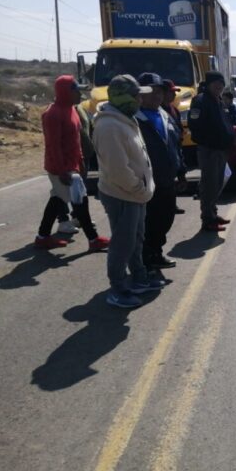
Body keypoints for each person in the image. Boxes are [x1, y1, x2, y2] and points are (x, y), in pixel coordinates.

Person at [92, 75, 162, 309]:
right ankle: (118, 288)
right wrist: (138, 188)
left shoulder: (124, 119)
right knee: (122, 243)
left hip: (135, 194)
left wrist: (141, 189)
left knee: (136, 239)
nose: (140, 100)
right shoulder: (109, 126)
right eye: (135, 96)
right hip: (123, 194)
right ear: (122, 97)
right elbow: (117, 169)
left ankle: (138, 277)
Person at [34, 75, 109, 252]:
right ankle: (93, 239)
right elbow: (53, 145)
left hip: (72, 166)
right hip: (61, 168)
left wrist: (80, 161)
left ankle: (42, 237)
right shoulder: (52, 114)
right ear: (66, 92)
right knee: (79, 201)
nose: (79, 94)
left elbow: (75, 140)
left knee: (59, 200)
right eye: (76, 91)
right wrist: (62, 171)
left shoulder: (72, 110)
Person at [136, 72, 186, 270]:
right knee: (148, 223)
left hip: (167, 179)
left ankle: (156, 252)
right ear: (139, 94)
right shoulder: (134, 118)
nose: (156, 96)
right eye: (150, 92)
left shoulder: (165, 115)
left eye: (158, 91)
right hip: (145, 182)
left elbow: (176, 146)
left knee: (165, 218)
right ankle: (145, 259)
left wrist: (181, 172)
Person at [188, 71, 235, 232]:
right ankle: (207, 219)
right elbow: (194, 125)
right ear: (208, 84)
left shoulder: (219, 100)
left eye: (221, 84)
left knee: (217, 183)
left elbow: (223, 122)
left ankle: (213, 214)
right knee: (209, 185)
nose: (219, 86)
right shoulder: (200, 100)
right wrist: (210, 140)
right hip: (209, 150)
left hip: (221, 149)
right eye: (216, 83)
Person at [161, 79, 186, 215]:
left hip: (175, 148)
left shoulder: (174, 110)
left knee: (171, 181)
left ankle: (172, 205)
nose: (174, 95)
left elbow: (179, 130)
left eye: (174, 92)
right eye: (171, 92)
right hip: (162, 154)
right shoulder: (157, 111)